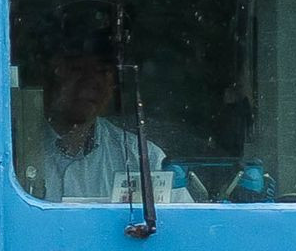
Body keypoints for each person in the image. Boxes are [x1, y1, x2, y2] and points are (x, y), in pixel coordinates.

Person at [27, 13, 186, 205]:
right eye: (76, 68)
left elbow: (186, 219)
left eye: (103, 71)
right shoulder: (12, 152)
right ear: (47, 75)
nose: (91, 81)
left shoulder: (144, 159)